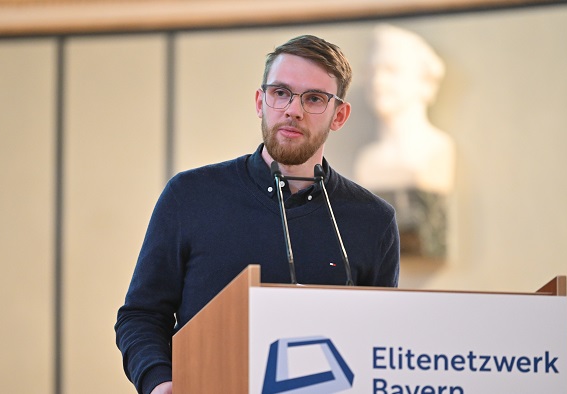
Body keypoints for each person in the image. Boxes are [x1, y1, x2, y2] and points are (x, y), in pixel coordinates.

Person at [115, 35, 400, 394]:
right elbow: (141, 316)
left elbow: (381, 342)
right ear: (260, 101)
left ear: (339, 115)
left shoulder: (372, 221)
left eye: (313, 99)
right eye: (280, 92)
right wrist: (160, 383)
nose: (292, 110)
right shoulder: (190, 196)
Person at [353, 24, 455, 258]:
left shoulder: (437, 150)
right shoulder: (366, 160)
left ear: (424, 82)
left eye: (391, 70)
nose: (378, 81)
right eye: (372, 71)